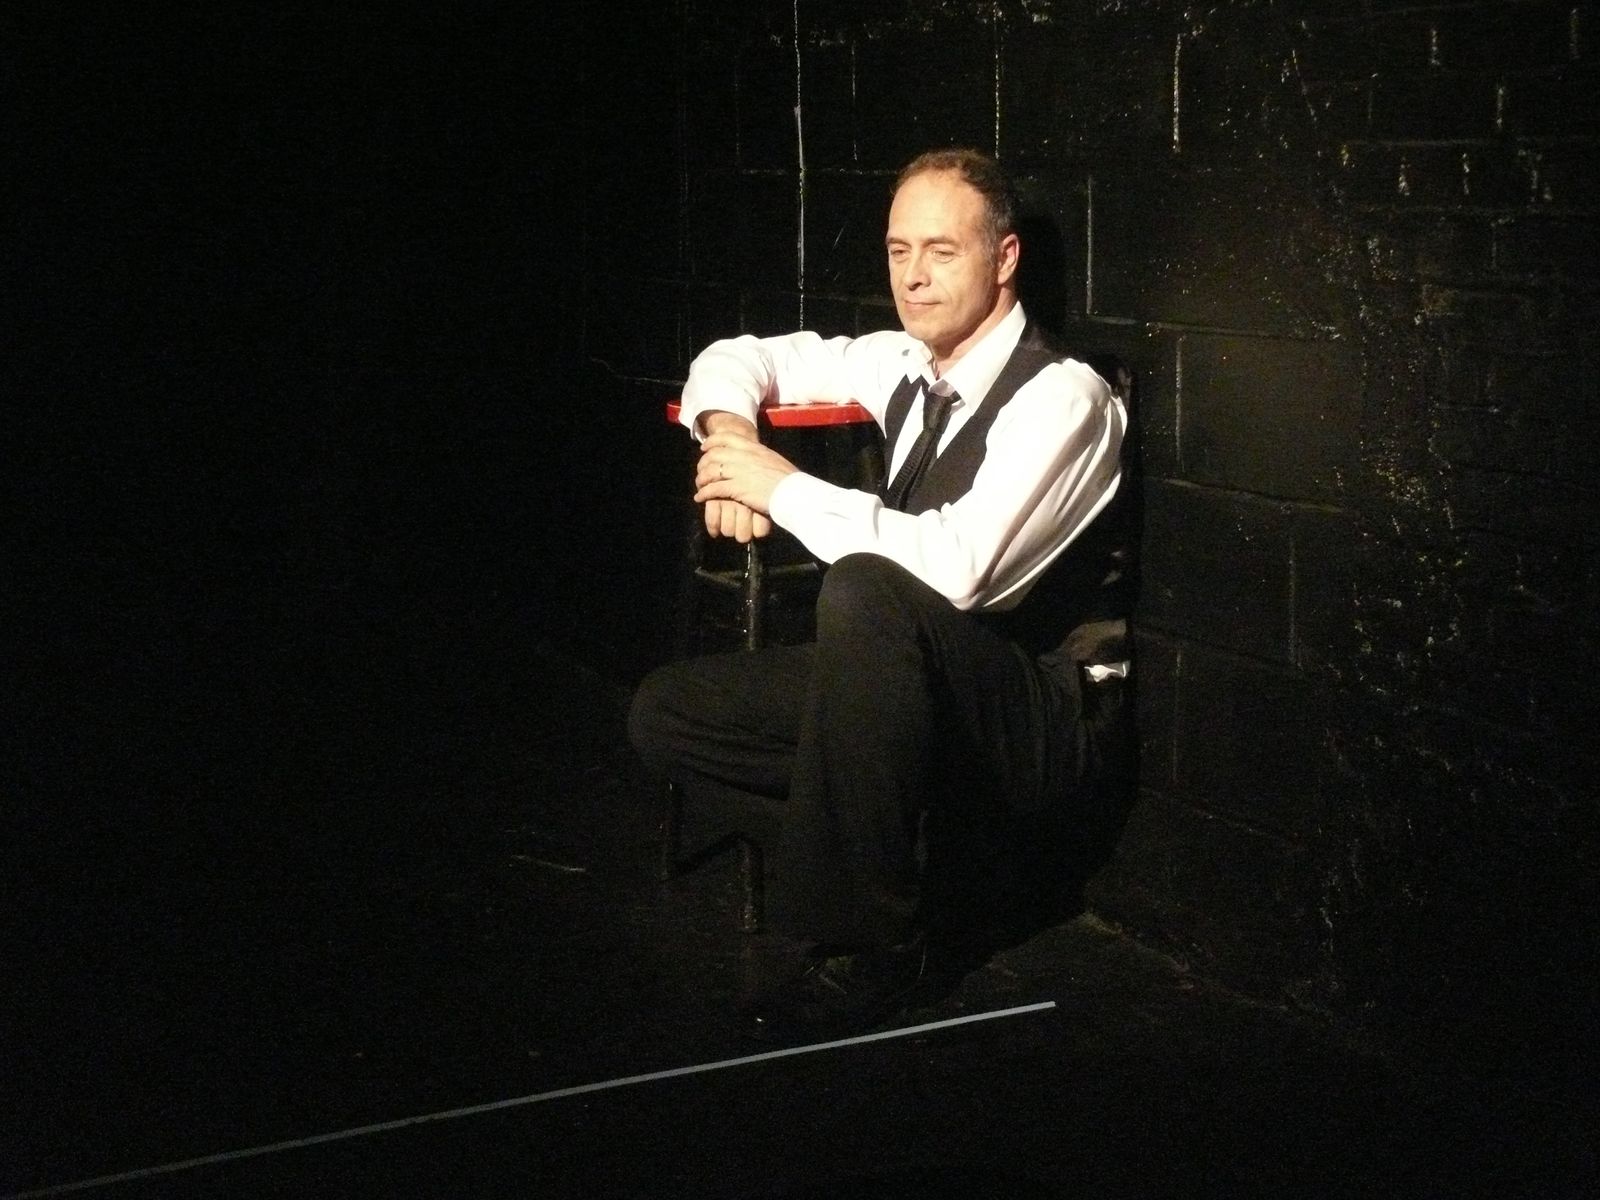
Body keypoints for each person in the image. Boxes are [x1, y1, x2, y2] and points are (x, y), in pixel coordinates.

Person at [629, 147, 1134, 1044]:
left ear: (1005, 258)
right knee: (668, 712)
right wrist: (730, 443)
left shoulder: (1065, 398)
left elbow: (960, 572)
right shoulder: (900, 363)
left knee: (868, 587)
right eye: (900, 251)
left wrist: (780, 489)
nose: (913, 276)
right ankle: (908, 844)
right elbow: (738, 356)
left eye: (941, 251)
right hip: (919, 694)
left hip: (1040, 712)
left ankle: (878, 942)